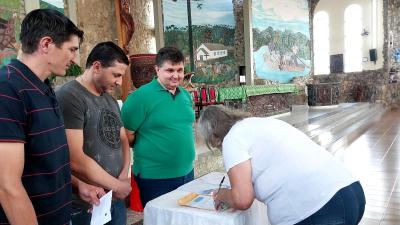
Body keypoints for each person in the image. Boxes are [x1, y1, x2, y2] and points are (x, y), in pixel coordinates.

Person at [0, 9, 104, 225]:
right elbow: (7, 185)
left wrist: (79, 185)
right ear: (46, 44)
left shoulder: (43, 87)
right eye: (72, 49)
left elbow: (46, 162)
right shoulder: (7, 89)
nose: (75, 59)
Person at [198, 105, 366, 225]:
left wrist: (221, 195)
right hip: (351, 193)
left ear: (213, 135)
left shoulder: (232, 140)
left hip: (320, 209)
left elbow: (242, 199)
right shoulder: (257, 123)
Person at [56, 41, 132, 225]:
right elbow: (74, 159)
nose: (119, 82)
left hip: (114, 197)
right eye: (116, 75)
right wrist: (117, 185)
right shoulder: (70, 97)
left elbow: (123, 140)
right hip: (87, 202)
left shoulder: (110, 100)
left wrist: (123, 175)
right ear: (97, 66)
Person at [121, 46, 195, 206]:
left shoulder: (186, 95)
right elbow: (127, 136)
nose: (176, 75)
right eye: (170, 70)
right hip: (155, 179)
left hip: (187, 173)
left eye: (180, 70)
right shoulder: (140, 98)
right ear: (157, 69)